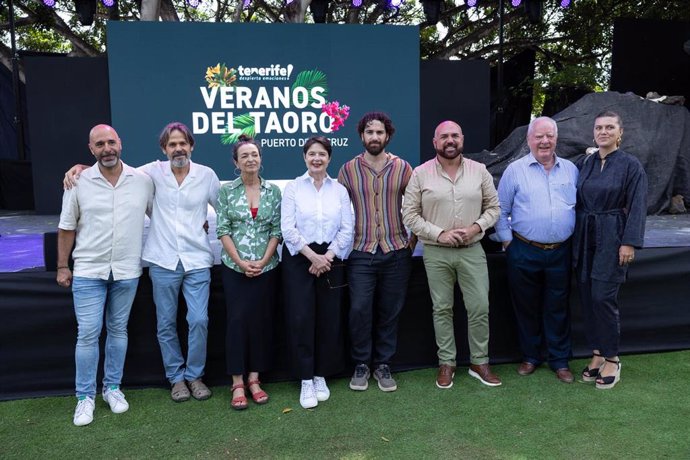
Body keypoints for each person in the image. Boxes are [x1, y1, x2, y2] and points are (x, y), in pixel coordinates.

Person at [64, 122, 221, 402]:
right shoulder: (150, 173)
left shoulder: (207, 175)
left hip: (197, 259)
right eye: (172, 144)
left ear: (191, 146)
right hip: (162, 260)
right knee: (165, 324)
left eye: (182, 143)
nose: (178, 149)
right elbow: (111, 165)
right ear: (164, 149)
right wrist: (79, 167)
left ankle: (195, 376)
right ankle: (176, 379)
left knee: (198, 320)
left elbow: (225, 209)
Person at [57, 124, 153, 426]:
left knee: (118, 330)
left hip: (127, 269)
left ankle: (112, 388)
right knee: (87, 334)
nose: (107, 148)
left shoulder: (142, 180)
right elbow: (66, 227)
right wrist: (62, 266)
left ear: (120, 143)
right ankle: (84, 397)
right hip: (88, 270)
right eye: (100, 144)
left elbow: (163, 213)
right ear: (91, 149)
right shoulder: (78, 181)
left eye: (111, 142)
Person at [402, 120, 501, 389]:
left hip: (472, 250)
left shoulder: (479, 171)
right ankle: (447, 363)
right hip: (436, 252)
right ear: (435, 142)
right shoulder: (420, 174)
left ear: (462, 139)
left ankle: (480, 362)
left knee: (479, 306)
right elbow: (409, 214)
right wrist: (439, 234)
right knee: (442, 308)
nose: (450, 140)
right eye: (444, 136)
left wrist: (475, 227)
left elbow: (494, 208)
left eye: (455, 135)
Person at [496, 117, 579, 384]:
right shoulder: (514, 170)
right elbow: (500, 210)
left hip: (561, 251)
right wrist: (509, 243)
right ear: (529, 139)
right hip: (524, 250)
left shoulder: (571, 170)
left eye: (549, 136)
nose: (544, 141)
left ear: (556, 138)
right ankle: (531, 357)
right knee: (526, 306)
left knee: (558, 307)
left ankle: (559, 360)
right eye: (538, 136)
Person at [337, 112, 413, 392]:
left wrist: (412, 241)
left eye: (379, 133)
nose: (374, 137)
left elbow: (417, 206)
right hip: (361, 252)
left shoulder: (403, 168)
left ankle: (383, 364)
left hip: (396, 251)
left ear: (387, 136)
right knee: (359, 310)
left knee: (389, 311)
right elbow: (338, 210)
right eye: (370, 132)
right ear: (362, 136)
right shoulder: (347, 170)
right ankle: (360, 364)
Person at [574, 111, 647, 389]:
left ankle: (613, 359)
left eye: (609, 127)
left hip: (613, 235)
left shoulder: (630, 165)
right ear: (593, 132)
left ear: (620, 132)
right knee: (587, 294)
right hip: (585, 235)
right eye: (599, 127)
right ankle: (597, 352)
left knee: (603, 296)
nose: (603, 131)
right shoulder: (587, 162)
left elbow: (639, 204)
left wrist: (629, 241)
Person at [281, 136, 354, 409]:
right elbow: (288, 228)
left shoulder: (339, 191)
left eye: (321, 154)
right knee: (301, 317)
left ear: (329, 158)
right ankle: (305, 379)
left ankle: (321, 373)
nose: (316, 159)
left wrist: (328, 258)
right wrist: (313, 257)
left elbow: (347, 228)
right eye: (311, 154)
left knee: (328, 316)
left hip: (331, 259)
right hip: (300, 259)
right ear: (304, 157)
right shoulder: (293, 188)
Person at [216, 135, 281, 409]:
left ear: (261, 159)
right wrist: (242, 263)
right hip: (235, 269)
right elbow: (223, 230)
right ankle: (238, 381)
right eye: (245, 156)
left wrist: (264, 260)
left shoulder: (274, 191)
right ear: (236, 162)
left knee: (261, 322)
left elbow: (276, 231)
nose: (250, 159)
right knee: (237, 322)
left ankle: (255, 379)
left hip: (267, 268)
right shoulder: (226, 192)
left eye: (254, 154)